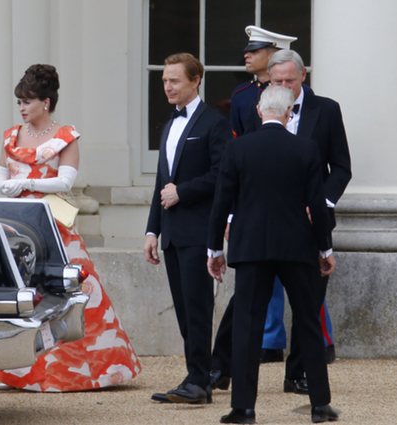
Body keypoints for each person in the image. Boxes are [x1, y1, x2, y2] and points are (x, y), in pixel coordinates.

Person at [0, 64, 141, 392]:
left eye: (27, 101)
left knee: (70, 292)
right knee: (22, 293)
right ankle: (17, 372)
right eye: (19, 102)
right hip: (18, 224)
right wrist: (7, 187)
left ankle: (84, 371)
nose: (21, 108)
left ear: (45, 102)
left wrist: (27, 182)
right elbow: (0, 176)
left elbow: (67, 179)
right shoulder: (10, 136)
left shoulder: (65, 136)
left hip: (54, 223)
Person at [211, 48, 352, 395]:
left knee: (309, 304)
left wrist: (320, 203)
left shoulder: (327, 110)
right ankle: (220, 368)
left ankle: (299, 373)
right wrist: (231, 215)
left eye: (290, 80)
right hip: (258, 223)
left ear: (304, 76)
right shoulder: (249, 104)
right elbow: (235, 168)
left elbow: (341, 167)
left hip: (309, 221)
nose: (284, 86)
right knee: (243, 302)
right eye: (277, 81)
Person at [144, 53, 229, 404]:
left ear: (196, 81)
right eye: (165, 80)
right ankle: (198, 374)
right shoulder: (168, 125)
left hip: (199, 230)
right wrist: (152, 231)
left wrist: (184, 191)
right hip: (173, 233)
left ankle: (198, 381)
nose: (167, 86)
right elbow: (161, 183)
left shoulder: (215, 123)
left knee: (197, 308)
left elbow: (222, 174)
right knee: (183, 309)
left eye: (174, 80)